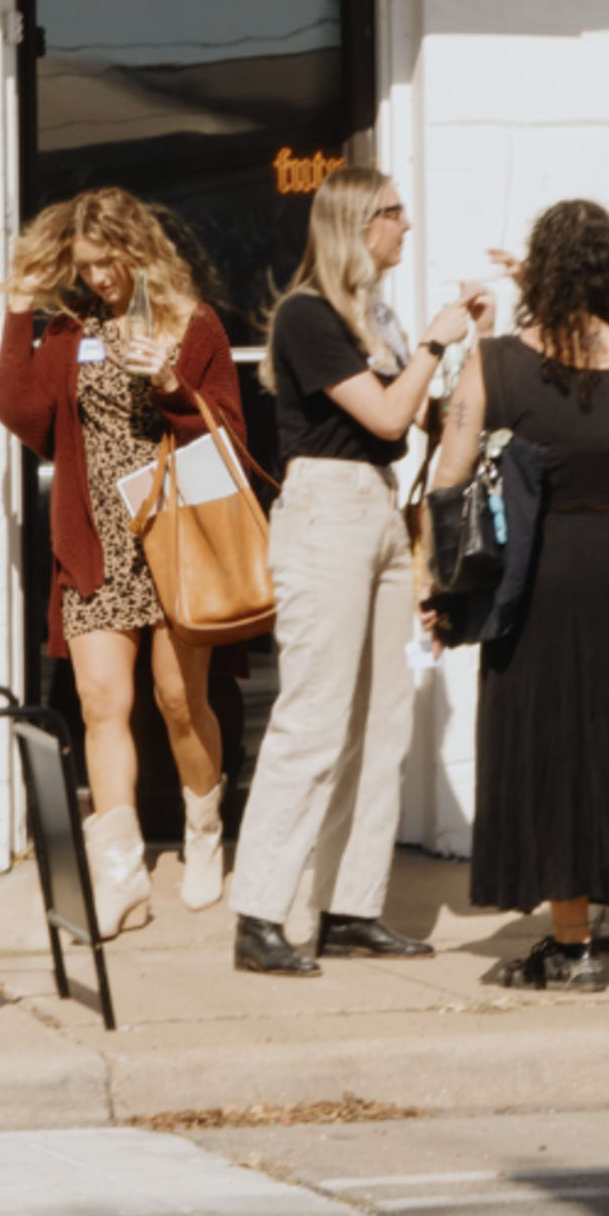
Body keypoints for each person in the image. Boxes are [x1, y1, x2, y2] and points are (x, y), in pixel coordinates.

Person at [428, 198, 609, 989]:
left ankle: (573, 945)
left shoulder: (496, 360)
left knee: (551, 742)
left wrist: (440, 586)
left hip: (538, 566)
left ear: (542, 268)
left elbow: (450, 476)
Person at [225, 166, 488, 976]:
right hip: (326, 511)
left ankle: (349, 904)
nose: (406, 226)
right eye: (394, 212)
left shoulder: (374, 315)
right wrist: (439, 341)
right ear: (357, 222)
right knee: (314, 714)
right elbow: (382, 414)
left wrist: (469, 341)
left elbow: (422, 423)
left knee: (383, 718)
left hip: (375, 508)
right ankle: (261, 912)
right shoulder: (307, 315)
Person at [0, 188, 257, 927]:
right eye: (86, 266)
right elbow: (19, 407)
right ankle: (122, 878)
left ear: (139, 250)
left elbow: (229, 437)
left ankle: (204, 833)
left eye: (109, 263)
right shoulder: (75, 331)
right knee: (101, 704)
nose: (99, 279)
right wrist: (18, 309)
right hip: (94, 539)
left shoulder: (192, 324)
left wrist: (170, 383)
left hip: (173, 537)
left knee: (177, 701)